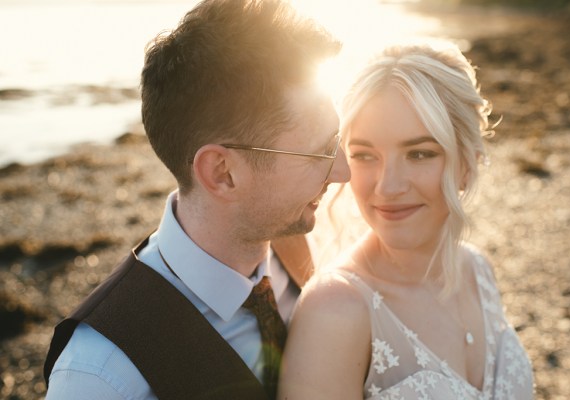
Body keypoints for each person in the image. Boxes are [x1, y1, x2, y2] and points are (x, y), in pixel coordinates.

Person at [44, 0, 349, 399]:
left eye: (337, 140)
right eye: (322, 152)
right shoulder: (99, 376)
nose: (343, 171)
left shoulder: (306, 242)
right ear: (222, 173)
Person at [278, 44, 534, 399]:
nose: (388, 186)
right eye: (364, 155)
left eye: (418, 154)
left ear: (467, 162)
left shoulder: (478, 270)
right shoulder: (334, 311)